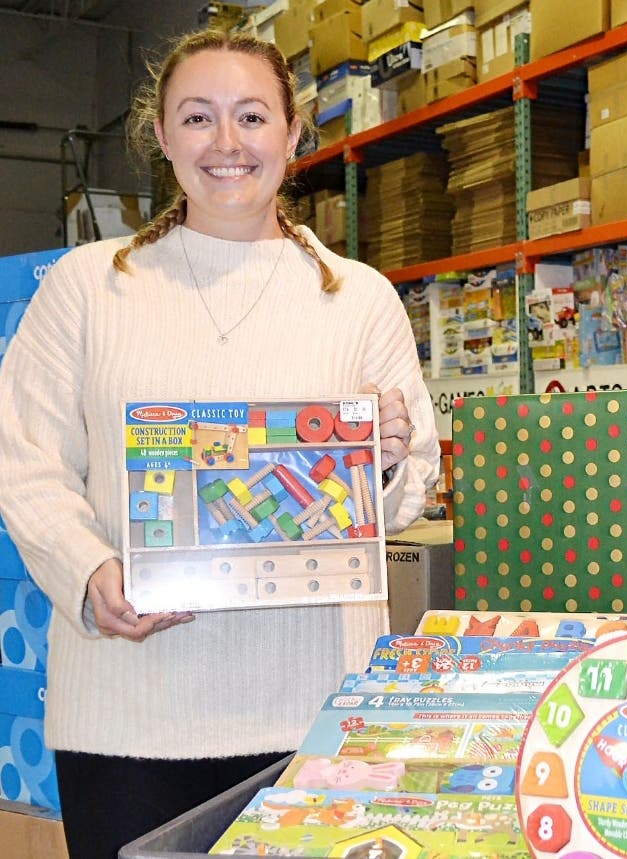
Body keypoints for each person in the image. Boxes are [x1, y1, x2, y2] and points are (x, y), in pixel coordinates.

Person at [0, 28, 440, 859]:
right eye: (198, 118)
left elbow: (405, 485)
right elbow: (24, 460)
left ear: (292, 134)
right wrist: (91, 571)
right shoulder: (88, 287)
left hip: (313, 711)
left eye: (252, 116)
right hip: (128, 716)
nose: (228, 143)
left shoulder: (360, 299)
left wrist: (383, 455)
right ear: (161, 138)